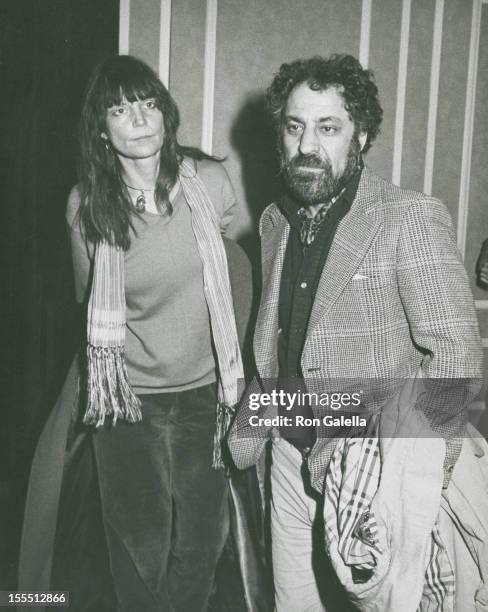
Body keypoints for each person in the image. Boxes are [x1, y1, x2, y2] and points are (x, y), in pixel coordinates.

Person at [228, 55, 484, 611]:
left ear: (360, 135)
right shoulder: (274, 222)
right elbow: (278, 353)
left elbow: (455, 357)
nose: (306, 145)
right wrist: (247, 431)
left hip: (370, 474)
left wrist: (409, 481)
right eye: (295, 127)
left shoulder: (407, 217)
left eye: (328, 127)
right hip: (289, 462)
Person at [20, 55, 248, 612]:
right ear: (101, 128)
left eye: (148, 104)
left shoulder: (211, 183)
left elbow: (234, 267)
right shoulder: (86, 207)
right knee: (139, 550)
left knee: (201, 545)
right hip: (126, 402)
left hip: (206, 397)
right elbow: (86, 302)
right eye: (120, 110)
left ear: (166, 114)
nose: (139, 119)